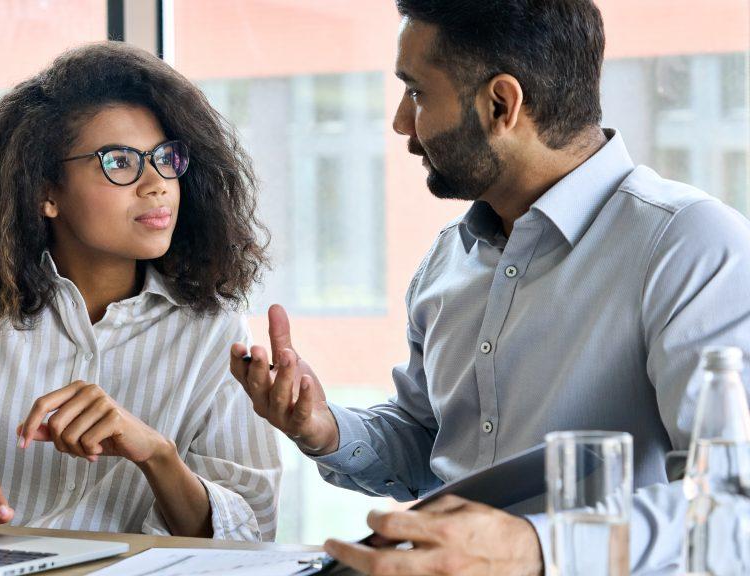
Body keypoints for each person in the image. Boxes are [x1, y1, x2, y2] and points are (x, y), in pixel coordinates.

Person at [230, 0, 750, 573]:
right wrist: (324, 427)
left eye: (418, 93)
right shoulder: (448, 260)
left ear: (501, 103)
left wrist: (532, 548)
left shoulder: (690, 246)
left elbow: (734, 504)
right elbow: (429, 446)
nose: (402, 122)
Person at [0, 42, 281, 541]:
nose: (157, 183)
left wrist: (157, 454)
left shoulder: (213, 330)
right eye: (119, 161)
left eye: (166, 158)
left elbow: (252, 536)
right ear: (45, 193)